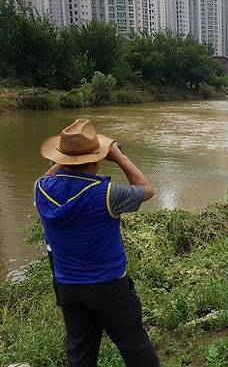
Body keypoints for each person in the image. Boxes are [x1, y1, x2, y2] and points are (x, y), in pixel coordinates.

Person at [35, 119, 160, 367]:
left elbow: (45, 178)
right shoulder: (107, 194)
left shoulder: (42, 190)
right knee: (133, 344)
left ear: (61, 159)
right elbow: (146, 190)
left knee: (80, 352)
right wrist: (120, 157)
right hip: (108, 286)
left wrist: (67, 158)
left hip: (67, 287)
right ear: (98, 159)